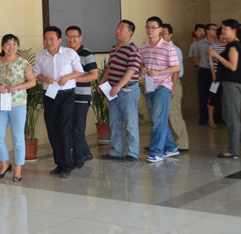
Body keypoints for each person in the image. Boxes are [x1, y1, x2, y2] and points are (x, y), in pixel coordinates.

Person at [33, 26, 84, 178]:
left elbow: (79, 71)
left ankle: (67, 166)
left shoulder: (69, 53)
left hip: (67, 95)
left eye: (52, 39)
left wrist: (68, 77)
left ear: (59, 40)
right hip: (50, 95)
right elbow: (36, 73)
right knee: (52, 129)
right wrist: (44, 78)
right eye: (46, 39)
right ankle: (59, 163)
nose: (48, 42)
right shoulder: (41, 56)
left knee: (65, 129)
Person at [208, 19, 241, 159]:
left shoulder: (233, 46)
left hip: (233, 83)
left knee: (232, 116)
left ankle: (233, 150)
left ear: (233, 31)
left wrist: (216, 55)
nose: (222, 31)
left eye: (225, 28)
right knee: (227, 115)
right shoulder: (231, 45)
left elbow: (233, 66)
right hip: (229, 83)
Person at [0, 34, 36, 182]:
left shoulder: (23, 63)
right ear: (2, 46)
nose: (12, 47)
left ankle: (18, 168)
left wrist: (17, 87)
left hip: (18, 104)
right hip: (1, 105)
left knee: (18, 138)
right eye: (8, 44)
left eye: (15, 44)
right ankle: (5, 163)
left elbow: (32, 82)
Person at [97, 20, 142, 162]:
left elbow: (132, 70)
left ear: (130, 33)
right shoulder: (114, 48)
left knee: (130, 123)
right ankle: (116, 152)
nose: (118, 31)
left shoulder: (133, 48)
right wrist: (102, 82)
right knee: (114, 122)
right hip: (112, 90)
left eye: (122, 29)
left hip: (127, 90)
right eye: (117, 28)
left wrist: (119, 86)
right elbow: (110, 67)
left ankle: (132, 153)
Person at [140, 17, 181, 163]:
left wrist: (159, 72)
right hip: (149, 86)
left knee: (158, 119)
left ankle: (157, 151)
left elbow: (176, 67)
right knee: (158, 119)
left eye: (153, 27)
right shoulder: (143, 47)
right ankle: (171, 147)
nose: (150, 30)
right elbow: (141, 63)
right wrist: (142, 68)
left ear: (160, 29)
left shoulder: (168, 47)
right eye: (148, 27)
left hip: (163, 86)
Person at [64, 26, 99, 168]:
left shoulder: (86, 53)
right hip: (67, 96)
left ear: (80, 38)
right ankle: (85, 153)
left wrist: (72, 80)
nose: (71, 39)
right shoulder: (65, 53)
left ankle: (79, 160)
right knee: (72, 128)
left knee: (78, 129)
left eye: (74, 36)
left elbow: (94, 75)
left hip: (82, 97)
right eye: (68, 36)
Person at [162, 23, 189, 152]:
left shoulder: (174, 50)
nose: (161, 36)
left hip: (173, 84)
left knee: (174, 114)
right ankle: (162, 142)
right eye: (160, 34)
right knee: (161, 116)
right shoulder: (158, 49)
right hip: (161, 85)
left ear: (171, 35)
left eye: (164, 34)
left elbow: (176, 71)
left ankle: (183, 143)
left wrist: (172, 88)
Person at [188, 23, 207, 124]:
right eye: (199, 31)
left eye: (203, 31)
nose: (202, 33)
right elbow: (190, 58)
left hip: (208, 68)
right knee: (201, 92)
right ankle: (203, 116)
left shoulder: (210, 43)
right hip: (198, 69)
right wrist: (194, 60)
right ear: (195, 32)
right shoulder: (193, 45)